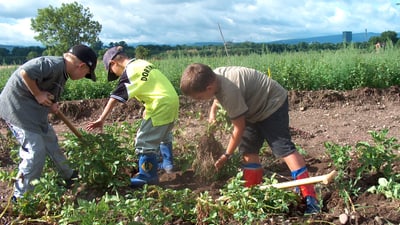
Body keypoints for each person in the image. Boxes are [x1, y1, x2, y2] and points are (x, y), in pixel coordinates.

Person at [180, 63, 320, 214]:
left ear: (208, 88)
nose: (200, 101)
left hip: (271, 103)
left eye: (199, 97)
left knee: (282, 148)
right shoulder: (213, 76)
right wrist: (212, 112)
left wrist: (226, 155)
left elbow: (239, 128)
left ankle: (310, 197)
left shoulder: (229, 92)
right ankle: (252, 194)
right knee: (248, 149)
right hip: (252, 107)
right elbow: (217, 96)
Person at [0, 44, 98, 201]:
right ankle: (21, 197)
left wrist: (51, 103)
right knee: (35, 151)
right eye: (86, 73)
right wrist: (38, 94)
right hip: (17, 110)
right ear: (81, 66)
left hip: (34, 112)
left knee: (50, 140)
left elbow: (48, 88)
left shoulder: (63, 73)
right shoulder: (53, 64)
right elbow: (26, 72)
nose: (83, 76)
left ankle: (68, 175)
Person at [86, 46, 179, 188]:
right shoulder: (143, 63)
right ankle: (167, 164)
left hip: (160, 105)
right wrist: (147, 107)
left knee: (144, 142)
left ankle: (147, 177)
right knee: (163, 134)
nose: (116, 75)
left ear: (113, 63)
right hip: (171, 100)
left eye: (112, 72)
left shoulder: (129, 71)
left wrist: (101, 119)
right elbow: (151, 87)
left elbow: (115, 97)